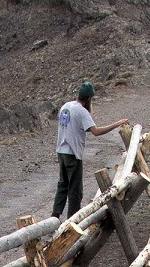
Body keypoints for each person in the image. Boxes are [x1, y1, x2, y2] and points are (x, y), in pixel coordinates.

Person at [52, 82, 129, 219]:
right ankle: (73, 220)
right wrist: (117, 124)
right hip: (73, 154)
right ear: (89, 98)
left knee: (63, 184)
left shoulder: (66, 106)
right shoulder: (82, 112)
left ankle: (55, 215)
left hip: (61, 151)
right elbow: (96, 131)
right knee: (75, 190)